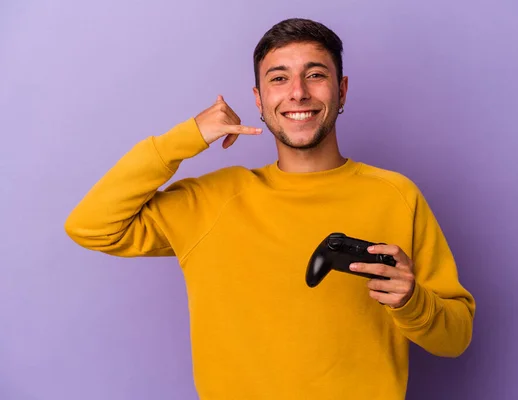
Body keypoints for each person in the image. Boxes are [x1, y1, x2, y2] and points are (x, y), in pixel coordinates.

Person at [65, 17, 475, 400]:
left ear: (342, 90)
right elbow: (91, 225)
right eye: (279, 79)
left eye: (316, 75)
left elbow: (455, 339)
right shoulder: (211, 201)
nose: (298, 92)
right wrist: (186, 138)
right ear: (259, 99)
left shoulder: (396, 195)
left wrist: (411, 302)